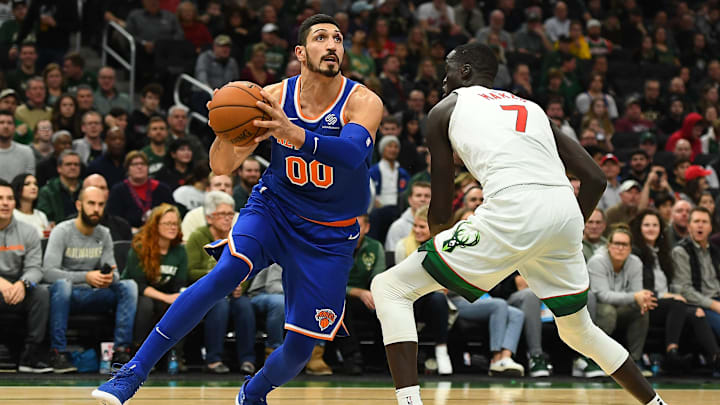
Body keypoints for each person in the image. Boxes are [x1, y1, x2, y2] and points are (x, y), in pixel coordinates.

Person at [93, 14, 383, 405]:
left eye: (338, 38)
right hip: (275, 209)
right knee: (228, 270)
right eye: (320, 38)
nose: (332, 45)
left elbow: (351, 155)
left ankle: (253, 393)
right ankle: (132, 372)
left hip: (329, 235)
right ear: (300, 52)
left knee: (299, 351)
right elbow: (221, 165)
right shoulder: (272, 98)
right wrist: (231, 128)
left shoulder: (363, 101)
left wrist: (296, 135)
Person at [369, 42, 664, 405]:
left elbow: (442, 202)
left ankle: (409, 403)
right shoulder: (533, 109)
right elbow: (596, 179)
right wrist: (564, 231)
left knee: (391, 288)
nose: (442, 81)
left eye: (447, 70)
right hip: (563, 212)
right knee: (579, 331)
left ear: (464, 71)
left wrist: (438, 248)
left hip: (515, 207)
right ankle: (656, 403)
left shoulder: (446, 108)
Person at [43, 186, 137, 373]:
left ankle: (121, 352)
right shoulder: (62, 231)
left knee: (129, 286)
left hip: (96, 294)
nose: (96, 209)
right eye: (91, 203)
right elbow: (48, 273)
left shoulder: (104, 233)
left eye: (101, 204)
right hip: (68, 296)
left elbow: (115, 273)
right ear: (79, 205)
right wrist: (86, 276)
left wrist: (109, 277)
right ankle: (58, 352)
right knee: (62, 286)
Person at [630, 209, 720, 372]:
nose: (651, 229)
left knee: (695, 313)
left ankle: (713, 359)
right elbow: (641, 287)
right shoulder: (636, 254)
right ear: (689, 227)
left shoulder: (663, 253)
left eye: (655, 225)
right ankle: (672, 353)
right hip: (649, 300)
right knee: (680, 304)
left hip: (672, 302)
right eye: (647, 225)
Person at [185, 191, 257, 375]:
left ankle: (247, 360)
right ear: (209, 218)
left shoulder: (238, 237)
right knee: (219, 305)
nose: (227, 219)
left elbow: (249, 268)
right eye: (222, 214)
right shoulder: (197, 237)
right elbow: (191, 271)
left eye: (229, 214)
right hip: (208, 292)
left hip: (233, 291)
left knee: (245, 306)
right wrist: (219, 279)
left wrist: (241, 285)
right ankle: (213, 359)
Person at [122, 204, 187, 361]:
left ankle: (174, 355)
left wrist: (176, 297)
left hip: (164, 293)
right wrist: (166, 297)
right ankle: (138, 352)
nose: (172, 227)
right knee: (147, 305)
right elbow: (139, 285)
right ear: (155, 225)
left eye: (175, 224)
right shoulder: (140, 247)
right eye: (167, 224)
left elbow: (180, 283)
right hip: (134, 293)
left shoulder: (179, 251)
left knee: (181, 305)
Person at [589, 225, 653, 376]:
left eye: (624, 244)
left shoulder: (635, 262)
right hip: (597, 307)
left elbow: (638, 294)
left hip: (621, 307)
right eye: (616, 244)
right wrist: (635, 297)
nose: (620, 248)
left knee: (641, 310)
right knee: (608, 311)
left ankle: (635, 361)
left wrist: (642, 300)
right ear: (609, 245)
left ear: (630, 248)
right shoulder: (597, 261)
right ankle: (596, 360)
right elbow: (602, 295)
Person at [0, 178, 50, 373]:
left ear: (15, 202)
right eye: (0, 198)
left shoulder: (28, 231)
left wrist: (22, 284)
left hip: (17, 287)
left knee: (42, 293)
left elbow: (36, 268)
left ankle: (31, 356)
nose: (5, 203)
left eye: (10, 198)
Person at [672, 207, 720, 340]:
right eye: (696, 221)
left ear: (710, 227)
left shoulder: (714, 251)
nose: (700, 225)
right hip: (700, 304)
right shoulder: (681, 251)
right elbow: (683, 289)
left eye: (704, 222)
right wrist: (714, 305)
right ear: (689, 226)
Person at [107, 151, 174, 230]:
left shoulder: (162, 189)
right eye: (135, 164)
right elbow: (113, 220)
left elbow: (172, 214)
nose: (139, 167)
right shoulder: (118, 191)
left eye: (143, 164)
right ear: (127, 168)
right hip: (128, 235)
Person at [181, 173, 235, 242]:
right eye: (217, 185)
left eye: (227, 185)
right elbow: (186, 245)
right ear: (208, 189)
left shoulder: (240, 218)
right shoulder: (193, 216)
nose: (223, 188)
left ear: (232, 191)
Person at [81, 174, 132, 242]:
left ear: (108, 194)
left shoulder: (122, 226)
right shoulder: (68, 227)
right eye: (94, 187)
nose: (99, 191)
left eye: (102, 188)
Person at [385, 181, 431, 255]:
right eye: (418, 195)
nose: (423, 199)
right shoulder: (398, 227)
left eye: (427, 196)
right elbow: (391, 257)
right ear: (410, 200)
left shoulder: (440, 225)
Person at [36, 150, 81, 225]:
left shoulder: (86, 188)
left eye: (76, 164)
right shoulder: (47, 191)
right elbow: (45, 218)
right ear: (59, 168)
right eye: (68, 164)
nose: (73, 167)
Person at [0, 109, 34, 182]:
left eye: (9, 123)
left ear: (14, 127)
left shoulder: (27, 152)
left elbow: (30, 181)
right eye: (1, 122)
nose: (5, 126)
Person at [11, 173, 50, 238]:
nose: (33, 187)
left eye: (35, 184)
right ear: (18, 188)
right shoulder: (12, 215)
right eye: (27, 184)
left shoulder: (41, 215)